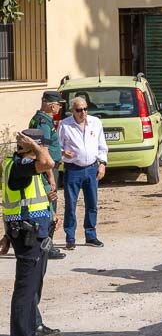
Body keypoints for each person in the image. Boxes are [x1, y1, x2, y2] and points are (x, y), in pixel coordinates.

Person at [2, 130, 57, 336]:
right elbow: (49, 162)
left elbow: (15, 202)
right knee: (25, 292)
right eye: (40, 146)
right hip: (27, 235)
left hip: (31, 232)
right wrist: (35, 146)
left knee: (31, 288)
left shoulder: (21, 165)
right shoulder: (21, 165)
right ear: (32, 146)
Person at [58, 96, 107, 250]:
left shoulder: (95, 122)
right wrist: (63, 153)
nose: (83, 113)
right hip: (73, 170)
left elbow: (102, 145)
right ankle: (70, 238)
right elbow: (56, 148)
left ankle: (91, 236)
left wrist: (103, 164)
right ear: (72, 110)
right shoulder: (65, 125)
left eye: (85, 109)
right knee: (71, 205)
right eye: (79, 110)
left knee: (92, 204)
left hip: (92, 169)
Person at [29, 91, 66, 264]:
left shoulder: (40, 119)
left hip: (47, 169)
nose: (59, 107)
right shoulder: (44, 122)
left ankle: (45, 244)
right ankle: (47, 246)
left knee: (47, 205)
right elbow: (42, 151)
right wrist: (51, 177)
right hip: (47, 171)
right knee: (49, 206)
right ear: (52, 105)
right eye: (59, 104)